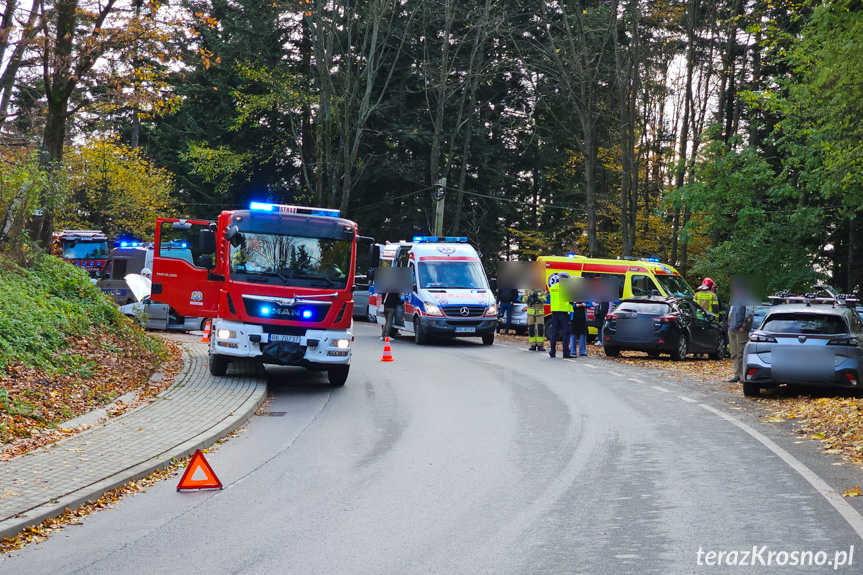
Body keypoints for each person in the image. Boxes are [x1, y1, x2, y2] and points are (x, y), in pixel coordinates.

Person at [727, 294, 752, 383]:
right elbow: (730, 312)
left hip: (741, 329)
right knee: (734, 352)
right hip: (732, 328)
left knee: (741, 352)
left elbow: (749, 313)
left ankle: (742, 376)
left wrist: (744, 325)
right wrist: (729, 324)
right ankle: (736, 374)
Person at [548, 279, 571, 358]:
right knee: (566, 332)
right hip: (564, 312)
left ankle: (552, 352)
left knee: (554, 332)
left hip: (555, 312)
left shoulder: (553, 287)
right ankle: (565, 352)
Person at [524, 287, 548, 351]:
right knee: (531, 328)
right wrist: (529, 299)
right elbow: (523, 298)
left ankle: (540, 345)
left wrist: (538, 299)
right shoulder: (527, 289)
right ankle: (533, 345)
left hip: (539, 312)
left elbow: (545, 297)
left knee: (540, 328)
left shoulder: (541, 289)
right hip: (530, 313)